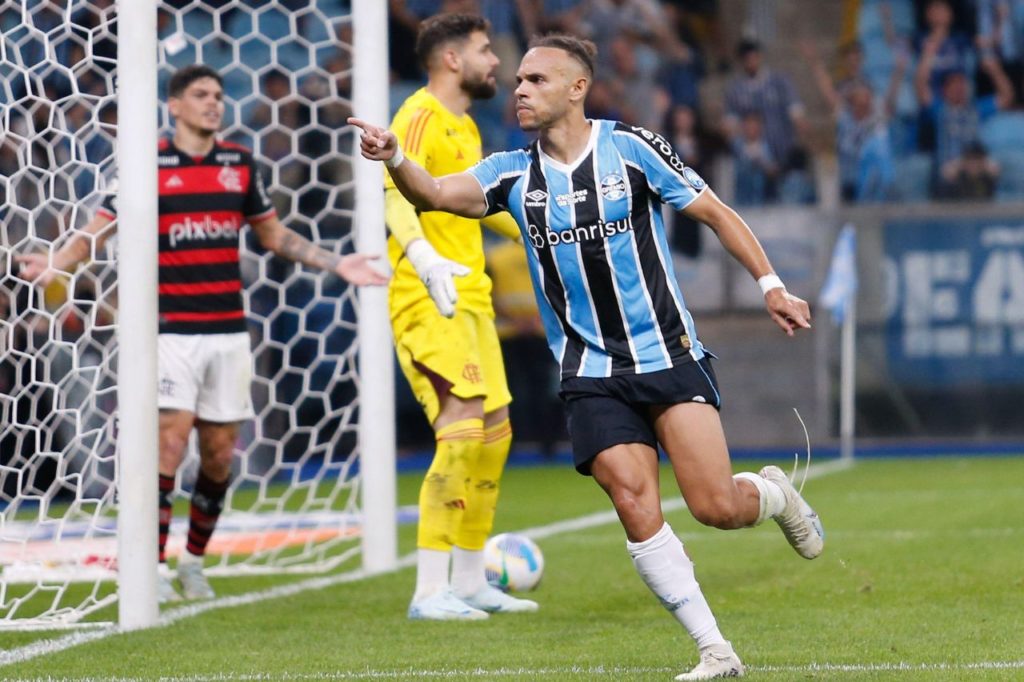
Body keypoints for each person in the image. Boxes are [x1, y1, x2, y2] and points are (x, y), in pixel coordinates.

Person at [350, 33, 823, 681]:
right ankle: (715, 649)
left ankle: (769, 494)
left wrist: (770, 285)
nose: (519, 89)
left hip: (663, 353)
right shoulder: (512, 172)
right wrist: (396, 155)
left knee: (715, 506)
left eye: (536, 80)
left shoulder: (631, 149)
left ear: (577, 89)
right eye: (517, 80)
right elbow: (432, 193)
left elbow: (714, 212)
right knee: (634, 503)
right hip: (590, 374)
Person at [17, 64, 387, 603]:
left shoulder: (239, 164)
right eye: (201, 95)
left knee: (218, 456)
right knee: (169, 443)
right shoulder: (148, 165)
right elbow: (95, 231)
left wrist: (336, 263)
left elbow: (274, 234)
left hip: (228, 332)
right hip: (171, 332)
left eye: (218, 94)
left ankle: (193, 561)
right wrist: (58, 262)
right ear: (174, 105)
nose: (214, 103)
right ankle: (152, 567)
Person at [380, 13, 538, 621]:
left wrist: (537, 225)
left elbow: (478, 204)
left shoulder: (465, 126)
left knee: (495, 437)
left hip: (473, 299)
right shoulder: (417, 115)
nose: (497, 62)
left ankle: (469, 581)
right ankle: (428, 591)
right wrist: (420, 256)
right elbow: (394, 190)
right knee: (462, 431)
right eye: (484, 51)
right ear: (451, 59)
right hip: (427, 297)